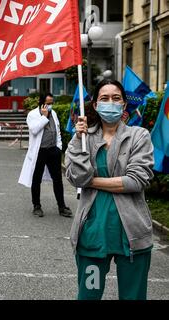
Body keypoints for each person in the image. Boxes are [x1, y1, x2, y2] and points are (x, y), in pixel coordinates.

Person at [65, 79, 154, 300]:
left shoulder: (138, 136)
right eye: (104, 98)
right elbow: (76, 176)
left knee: (132, 296)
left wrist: (91, 182)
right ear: (95, 105)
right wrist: (78, 139)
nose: (110, 103)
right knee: (89, 295)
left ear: (124, 105)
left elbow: (136, 181)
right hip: (93, 234)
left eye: (116, 98)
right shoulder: (84, 138)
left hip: (131, 234)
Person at [18, 93, 72, 218]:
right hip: (39, 151)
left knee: (58, 179)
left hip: (53, 150)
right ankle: (37, 206)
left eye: (51, 103)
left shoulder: (54, 113)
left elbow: (57, 130)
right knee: (36, 179)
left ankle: (62, 206)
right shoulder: (32, 114)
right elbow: (34, 129)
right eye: (47, 103)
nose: (50, 106)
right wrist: (44, 116)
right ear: (41, 103)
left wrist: (59, 147)